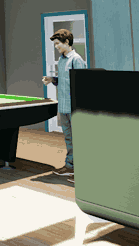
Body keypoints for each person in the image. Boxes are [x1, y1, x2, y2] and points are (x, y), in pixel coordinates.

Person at [42, 28, 87, 180]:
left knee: (79, 139)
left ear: (67, 42)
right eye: (54, 44)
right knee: (69, 138)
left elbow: (83, 84)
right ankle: (70, 166)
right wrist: (52, 79)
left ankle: (82, 171)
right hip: (64, 106)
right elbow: (64, 81)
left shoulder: (76, 60)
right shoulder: (62, 60)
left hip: (75, 107)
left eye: (57, 44)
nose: (56, 47)